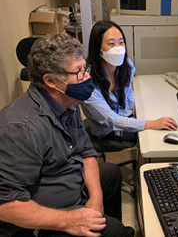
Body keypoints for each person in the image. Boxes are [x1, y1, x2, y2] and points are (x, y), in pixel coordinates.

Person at [0, 34, 134, 237]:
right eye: (78, 72)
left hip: (68, 180)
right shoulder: (21, 128)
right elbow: (7, 205)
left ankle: (107, 223)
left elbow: (87, 151)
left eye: (84, 69)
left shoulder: (67, 102)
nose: (87, 77)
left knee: (111, 174)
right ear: (51, 81)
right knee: (115, 233)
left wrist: (96, 199)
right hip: (43, 222)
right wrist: (70, 221)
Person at [81, 20, 177, 148]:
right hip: (109, 130)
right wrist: (150, 123)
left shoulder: (125, 66)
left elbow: (128, 90)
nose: (118, 49)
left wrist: (134, 109)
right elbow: (112, 121)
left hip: (124, 116)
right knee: (155, 137)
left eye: (121, 42)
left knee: (159, 116)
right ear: (98, 48)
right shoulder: (87, 84)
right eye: (111, 44)